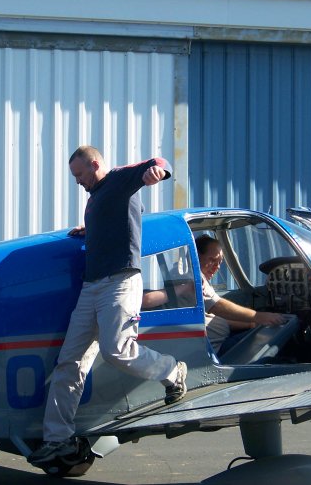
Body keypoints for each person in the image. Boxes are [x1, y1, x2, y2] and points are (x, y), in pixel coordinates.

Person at [28, 146, 187, 467]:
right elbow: (114, 220)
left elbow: (158, 163)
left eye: (79, 174)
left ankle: (172, 370)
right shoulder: (96, 198)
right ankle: (57, 438)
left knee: (117, 349)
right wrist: (91, 230)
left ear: (94, 164)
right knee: (69, 362)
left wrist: (157, 171)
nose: (77, 181)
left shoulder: (119, 179)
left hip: (121, 281)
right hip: (92, 286)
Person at [142, 235, 284, 356]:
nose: (217, 267)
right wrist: (258, 316)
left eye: (219, 262)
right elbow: (218, 306)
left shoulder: (182, 275)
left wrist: (250, 324)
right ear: (196, 256)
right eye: (212, 260)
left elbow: (211, 317)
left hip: (212, 343)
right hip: (212, 350)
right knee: (277, 336)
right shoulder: (193, 279)